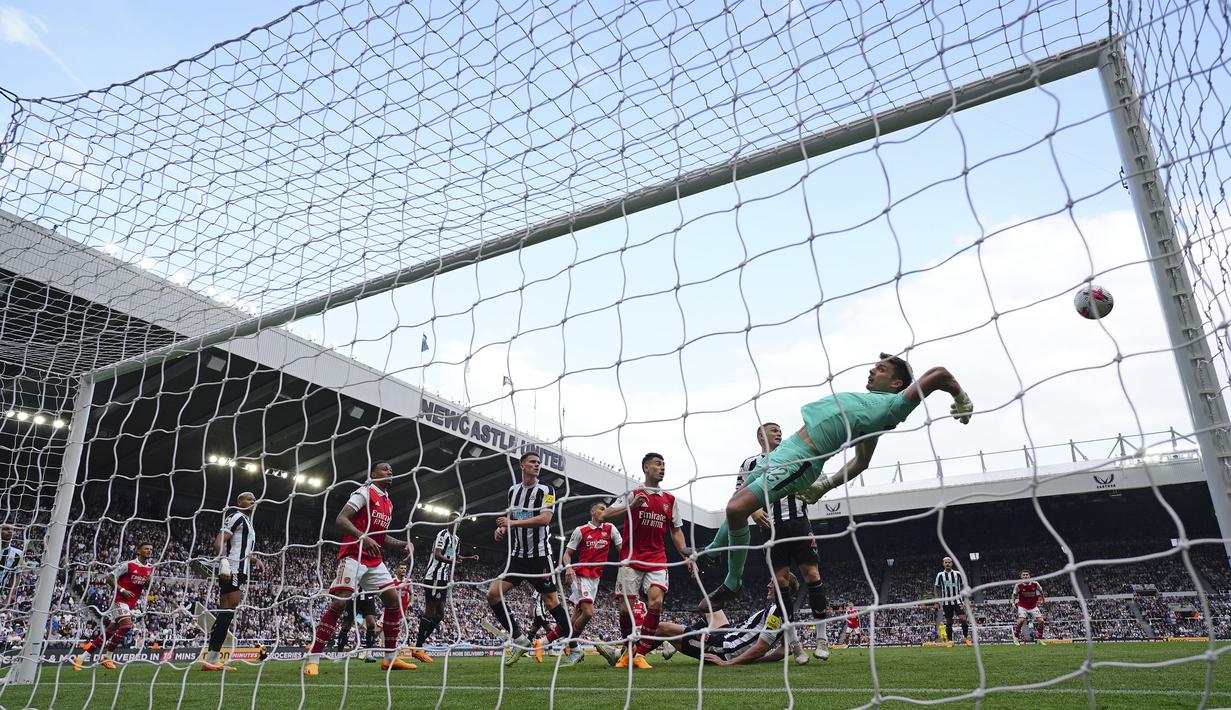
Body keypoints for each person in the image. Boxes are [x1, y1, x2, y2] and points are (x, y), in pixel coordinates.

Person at [700, 353, 973, 610]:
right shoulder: (870, 414)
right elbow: (862, 461)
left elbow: (938, 374)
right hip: (789, 446)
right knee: (734, 503)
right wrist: (825, 486)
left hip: (803, 459)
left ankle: (732, 583)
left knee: (737, 510)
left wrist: (961, 398)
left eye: (881, 369)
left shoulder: (894, 405)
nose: (872, 369)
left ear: (896, 383)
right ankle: (711, 552)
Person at [303, 462, 415, 676]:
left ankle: (390, 659)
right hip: (353, 556)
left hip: (374, 560)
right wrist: (362, 537)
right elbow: (341, 519)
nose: (389, 471)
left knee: (393, 602)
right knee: (340, 603)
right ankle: (313, 658)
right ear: (373, 474)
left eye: (391, 469)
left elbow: (381, 538)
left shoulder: (388, 503)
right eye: (384, 469)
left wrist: (404, 544)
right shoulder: (364, 492)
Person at [738, 422, 829, 659]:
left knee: (812, 574)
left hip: (798, 521)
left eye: (780, 429)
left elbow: (817, 477)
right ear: (760, 435)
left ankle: (822, 638)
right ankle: (793, 641)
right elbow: (738, 495)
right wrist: (753, 511)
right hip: (771, 527)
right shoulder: (750, 464)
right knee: (780, 581)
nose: (779, 432)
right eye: (773, 429)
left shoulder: (793, 454)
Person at [602, 452, 696, 669]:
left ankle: (640, 653)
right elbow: (605, 515)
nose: (662, 468)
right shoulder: (632, 493)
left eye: (664, 464)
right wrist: (632, 506)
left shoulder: (670, 501)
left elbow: (676, 532)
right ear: (646, 468)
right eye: (658, 464)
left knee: (656, 602)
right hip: (630, 558)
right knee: (626, 609)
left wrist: (686, 555)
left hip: (657, 558)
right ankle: (627, 651)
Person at [487, 452, 572, 666]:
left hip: (540, 557)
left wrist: (511, 524)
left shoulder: (547, 490)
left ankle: (576, 646)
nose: (537, 465)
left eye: (539, 463)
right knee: (493, 595)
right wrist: (502, 530)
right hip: (517, 556)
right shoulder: (513, 491)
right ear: (522, 466)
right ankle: (520, 638)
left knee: (551, 602)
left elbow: (545, 519)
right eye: (533, 462)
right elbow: (512, 517)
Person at [657, 574, 804, 666]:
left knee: (661, 628)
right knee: (709, 607)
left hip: (724, 648)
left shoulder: (776, 612)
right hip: (727, 637)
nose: (768, 585)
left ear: (783, 587)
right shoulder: (785, 613)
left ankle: (636, 654)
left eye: (772, 582)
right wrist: (755, 661)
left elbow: (761, 648)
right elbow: (784, 650)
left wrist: (729, 663)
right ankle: (676, 642)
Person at [201, 492, 264, 671]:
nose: (253, 501)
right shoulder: (235, 516)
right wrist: (223, 563)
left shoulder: (247, 522)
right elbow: (219, 541)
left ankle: (211, 659)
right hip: (232, 569)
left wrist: (255, 560)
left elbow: (240, 548)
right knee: (226, 612)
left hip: (241, 569)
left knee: (227, 613)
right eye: (249, 499)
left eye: (254, 499)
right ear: (239, 501)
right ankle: (211, 660)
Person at [559, 501, 623, 667]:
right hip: (581, 575)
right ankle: (575, 648)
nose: (605, 511)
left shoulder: (610, 529)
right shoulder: (581, 530)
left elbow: (622, 548)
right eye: (601, 508)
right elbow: (567, 554)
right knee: (588, 613)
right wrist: (568, 569)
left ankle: (565, 644)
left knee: (575, 616)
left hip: (596, 578)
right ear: (593, 512)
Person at [74, 541, 155, 670]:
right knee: (127, 625)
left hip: (131, 603)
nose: (149, 551)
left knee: (108, 633)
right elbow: (110, 577)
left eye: (150, 549)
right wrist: (122, 590)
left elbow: (144, 586)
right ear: (138, 551)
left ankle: (80, 658)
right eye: (146, 548)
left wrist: (148, 582)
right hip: (119, 600)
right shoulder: (128, 565)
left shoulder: (150, 567)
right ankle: (107, 657)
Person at [413, 519, 476, 663]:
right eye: (454, 522)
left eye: (459, 523)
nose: (456, 525)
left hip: (444, 579)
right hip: (434, 576)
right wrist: (452, 562)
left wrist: (467, 558)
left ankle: (419, 644)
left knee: (440, 615)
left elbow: (453, 556)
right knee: (430, 611)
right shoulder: (442, 534)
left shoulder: (457, 539)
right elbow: (438, 554)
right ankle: (418, 647)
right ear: (449, 523)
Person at [933, 556, 970, 646]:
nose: (948, 564)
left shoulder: (957, 574)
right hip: (946, 602)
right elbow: (936, 588)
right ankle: (950, 641)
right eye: (946, 562)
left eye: (949, 562)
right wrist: (938, 599)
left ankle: (966, 638)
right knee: (949, 621)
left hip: (958, 601)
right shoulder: (940, 575)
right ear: (943, 564)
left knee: (963, 618)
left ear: (952, 563)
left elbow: (963, 585)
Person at [1012, 570, 1046, 645]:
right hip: (1022, 606)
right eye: (1023, 575)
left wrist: (1043, 600)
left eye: (1027, 575)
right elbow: (1014, 595)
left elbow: (1041, 592)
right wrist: (1013, 603)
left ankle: (1039, 639)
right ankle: (1016, 638)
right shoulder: (1018, 585)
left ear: (1029, 576)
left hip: (1033, 606)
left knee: (1041, 621)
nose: (1025, 576)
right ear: (1021, 577)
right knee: (1021, 621)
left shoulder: (1035, 584)